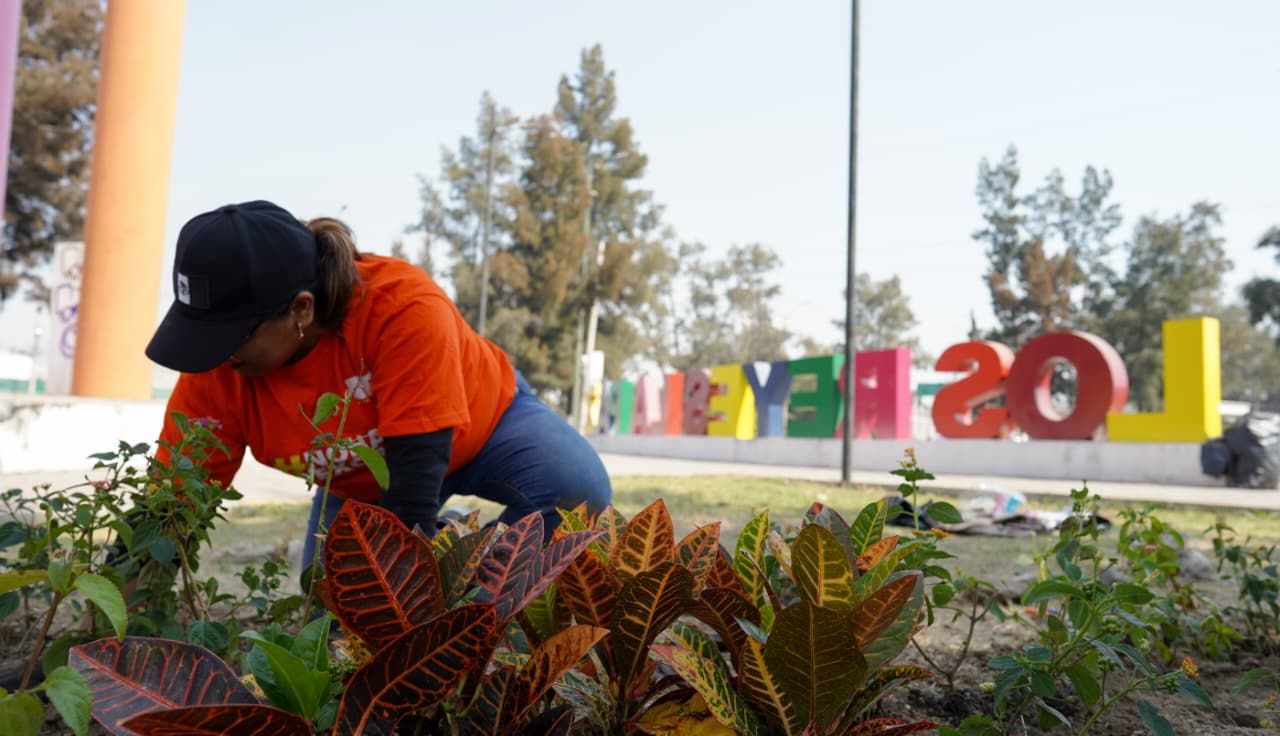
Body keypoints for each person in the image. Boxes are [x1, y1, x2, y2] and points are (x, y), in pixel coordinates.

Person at [145, 200, 612, 573]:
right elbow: (169, 510)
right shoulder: (220, 363)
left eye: (233, 336)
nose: (217, 355)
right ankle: (449, 544)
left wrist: (436, 568)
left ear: (301, 310)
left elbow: (410, 491)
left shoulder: (401, 308)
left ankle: (478, 578)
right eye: (206, 335)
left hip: (484, 426)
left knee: (579, 489)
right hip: (363, 485)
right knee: (330, 629)